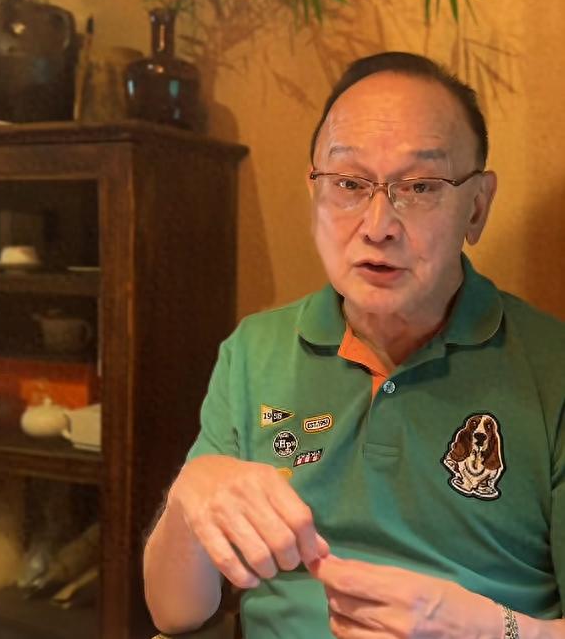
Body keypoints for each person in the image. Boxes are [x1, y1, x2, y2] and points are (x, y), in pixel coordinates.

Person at [144, 52, 564, 638]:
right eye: (348, 184)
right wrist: (190, 494)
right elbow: (174, 612)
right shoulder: (254, 351)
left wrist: (485, 628)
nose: (378, 225)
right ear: (314, 192)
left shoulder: (551, 368)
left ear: (477, 206)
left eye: (420, 186)